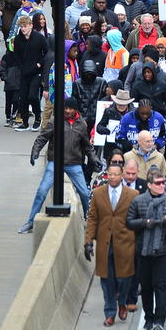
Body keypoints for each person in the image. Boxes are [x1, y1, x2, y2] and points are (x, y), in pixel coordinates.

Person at [20, 98, 99, 234]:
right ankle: (31, 222)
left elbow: (87, 146)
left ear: (75, 110)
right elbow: (42, 137)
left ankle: (89, 221)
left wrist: (94, 158)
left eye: (70, 108)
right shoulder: (55, 121)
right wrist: (35, 151)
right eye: (65, 108)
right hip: (55, 161)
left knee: (85, 194)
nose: (67, 111)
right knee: (42, 191)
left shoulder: (82, 124)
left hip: (74, 163)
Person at [127, 167, 166, 330]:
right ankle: (149, 318)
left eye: (163, 182)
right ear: (149, 185)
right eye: (157, 183)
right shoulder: (138, 200)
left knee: (160, 285)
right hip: (143, 250)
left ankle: (160, 320)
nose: (161, 185)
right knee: (147, 287)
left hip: (163, 250)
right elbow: (129, 222)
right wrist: (144, 222)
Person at [84, 163, 139, 326]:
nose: (113, 177)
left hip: (125, 243)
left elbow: (137, 219)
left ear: (122, 176)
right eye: (110, 174)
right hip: (104, 243)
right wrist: (88, 241)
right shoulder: (98, 193)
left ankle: (122, 302)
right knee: (107, 280)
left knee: (124, 279)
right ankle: (110, 312)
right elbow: (93, 218)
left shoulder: (133, 194)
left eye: (116, 174)